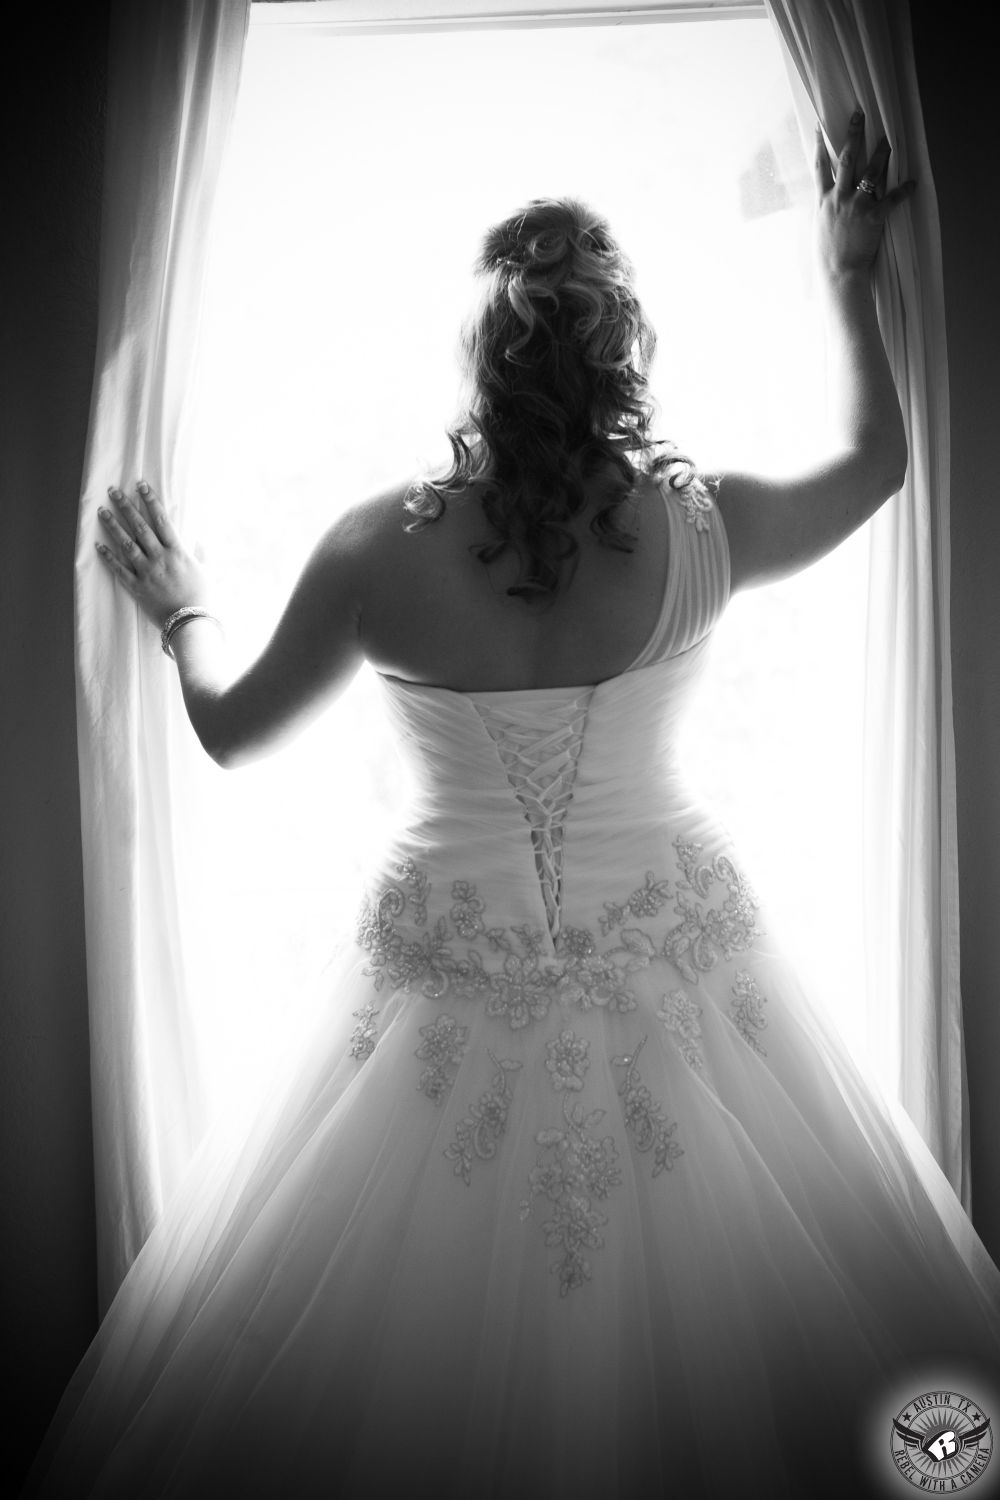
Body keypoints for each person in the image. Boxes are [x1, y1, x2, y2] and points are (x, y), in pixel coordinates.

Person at [26, 114, 1000, 1499]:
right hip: (681, 949)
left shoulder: (378, 548)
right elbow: (878, 467)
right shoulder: (701, 524)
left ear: (481, 364)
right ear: (627, 355)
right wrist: (849, 275)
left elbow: (231, 730)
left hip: (443, 971)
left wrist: (185, 607)